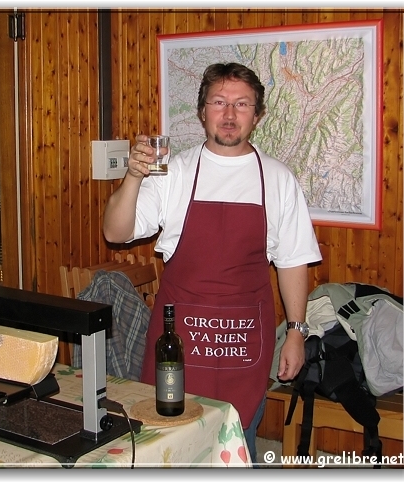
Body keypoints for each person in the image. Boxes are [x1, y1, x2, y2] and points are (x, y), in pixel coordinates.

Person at [102, 62, 322, 465]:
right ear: (202, 111)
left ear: (258, 115)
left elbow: (293, 261)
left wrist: (296, 332)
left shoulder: (278, 179)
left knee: (237, 442)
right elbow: (116, 232)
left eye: (242, 104)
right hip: (178, 337)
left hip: (245, 340)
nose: (230, 114)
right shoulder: (174, 173)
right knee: (165, 443)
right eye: (219, 102)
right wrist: (133, 177)